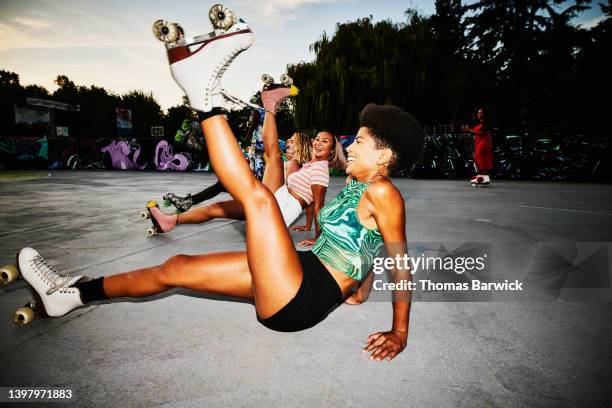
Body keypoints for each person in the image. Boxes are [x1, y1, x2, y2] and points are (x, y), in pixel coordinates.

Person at [17, 19, 424, 361]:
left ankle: (203, 96)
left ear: (385, 156)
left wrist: (399, 333)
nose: (349, 146)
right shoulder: (358, 182)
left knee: (260, 201)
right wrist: (358, 289)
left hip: (303, 297)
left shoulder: (386, 193)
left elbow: (399, 263)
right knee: (175, 267)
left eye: (361, 142)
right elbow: (368, 245)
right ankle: (69, 296)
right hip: (299, 271)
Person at [147, 87, 345, 246]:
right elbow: (309, 201)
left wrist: (319, 238)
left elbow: (318, 206)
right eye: (317, 139)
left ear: (331, 151)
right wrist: (307, 224)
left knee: (271, 157)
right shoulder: (310, 165)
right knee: (216, 207)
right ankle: (170, 221)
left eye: (325, 142)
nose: (318, 142)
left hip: (275, 214)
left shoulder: (320, 169)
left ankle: (268, 105)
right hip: (274, 203)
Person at [463, 108, 494, 186]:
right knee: (477, 159)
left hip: (484, 142)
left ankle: (484, 178)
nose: (478, 114)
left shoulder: (486, 122)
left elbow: (481, 132)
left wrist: (470, 130)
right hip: (478, 142)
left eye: (480, 112)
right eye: (478, 112)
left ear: (484, 114)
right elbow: (471, 129)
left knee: (481, 159)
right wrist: (466, 128)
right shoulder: (477, 122)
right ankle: (483, 178)